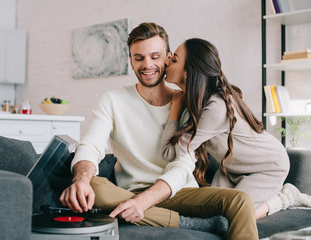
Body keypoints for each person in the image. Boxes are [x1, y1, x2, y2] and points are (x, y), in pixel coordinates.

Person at [59, 23, 259, 239]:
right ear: (131, 62)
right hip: (130, 191)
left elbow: (183, 165)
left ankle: (154, 214)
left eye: (155, 56)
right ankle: (191, 224)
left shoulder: (186, 101)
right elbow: (91, 145)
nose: (147, 65)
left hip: (181, 192)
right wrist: (81, 180)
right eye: (139, 58)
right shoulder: (112, 100)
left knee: (240, 200)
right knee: (94, 186)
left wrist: (142, 203)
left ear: (168, 57)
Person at [161, 38, 311, 220]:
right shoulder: (199, 101)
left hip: (268, 167)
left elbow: (169, 152)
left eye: (174, 59)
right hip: (232, 169)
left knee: (231, 217)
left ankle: (286, 196)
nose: (166, 61)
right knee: (208, 211)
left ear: (189, 72)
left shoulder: (215, 108)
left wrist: (176, 107)